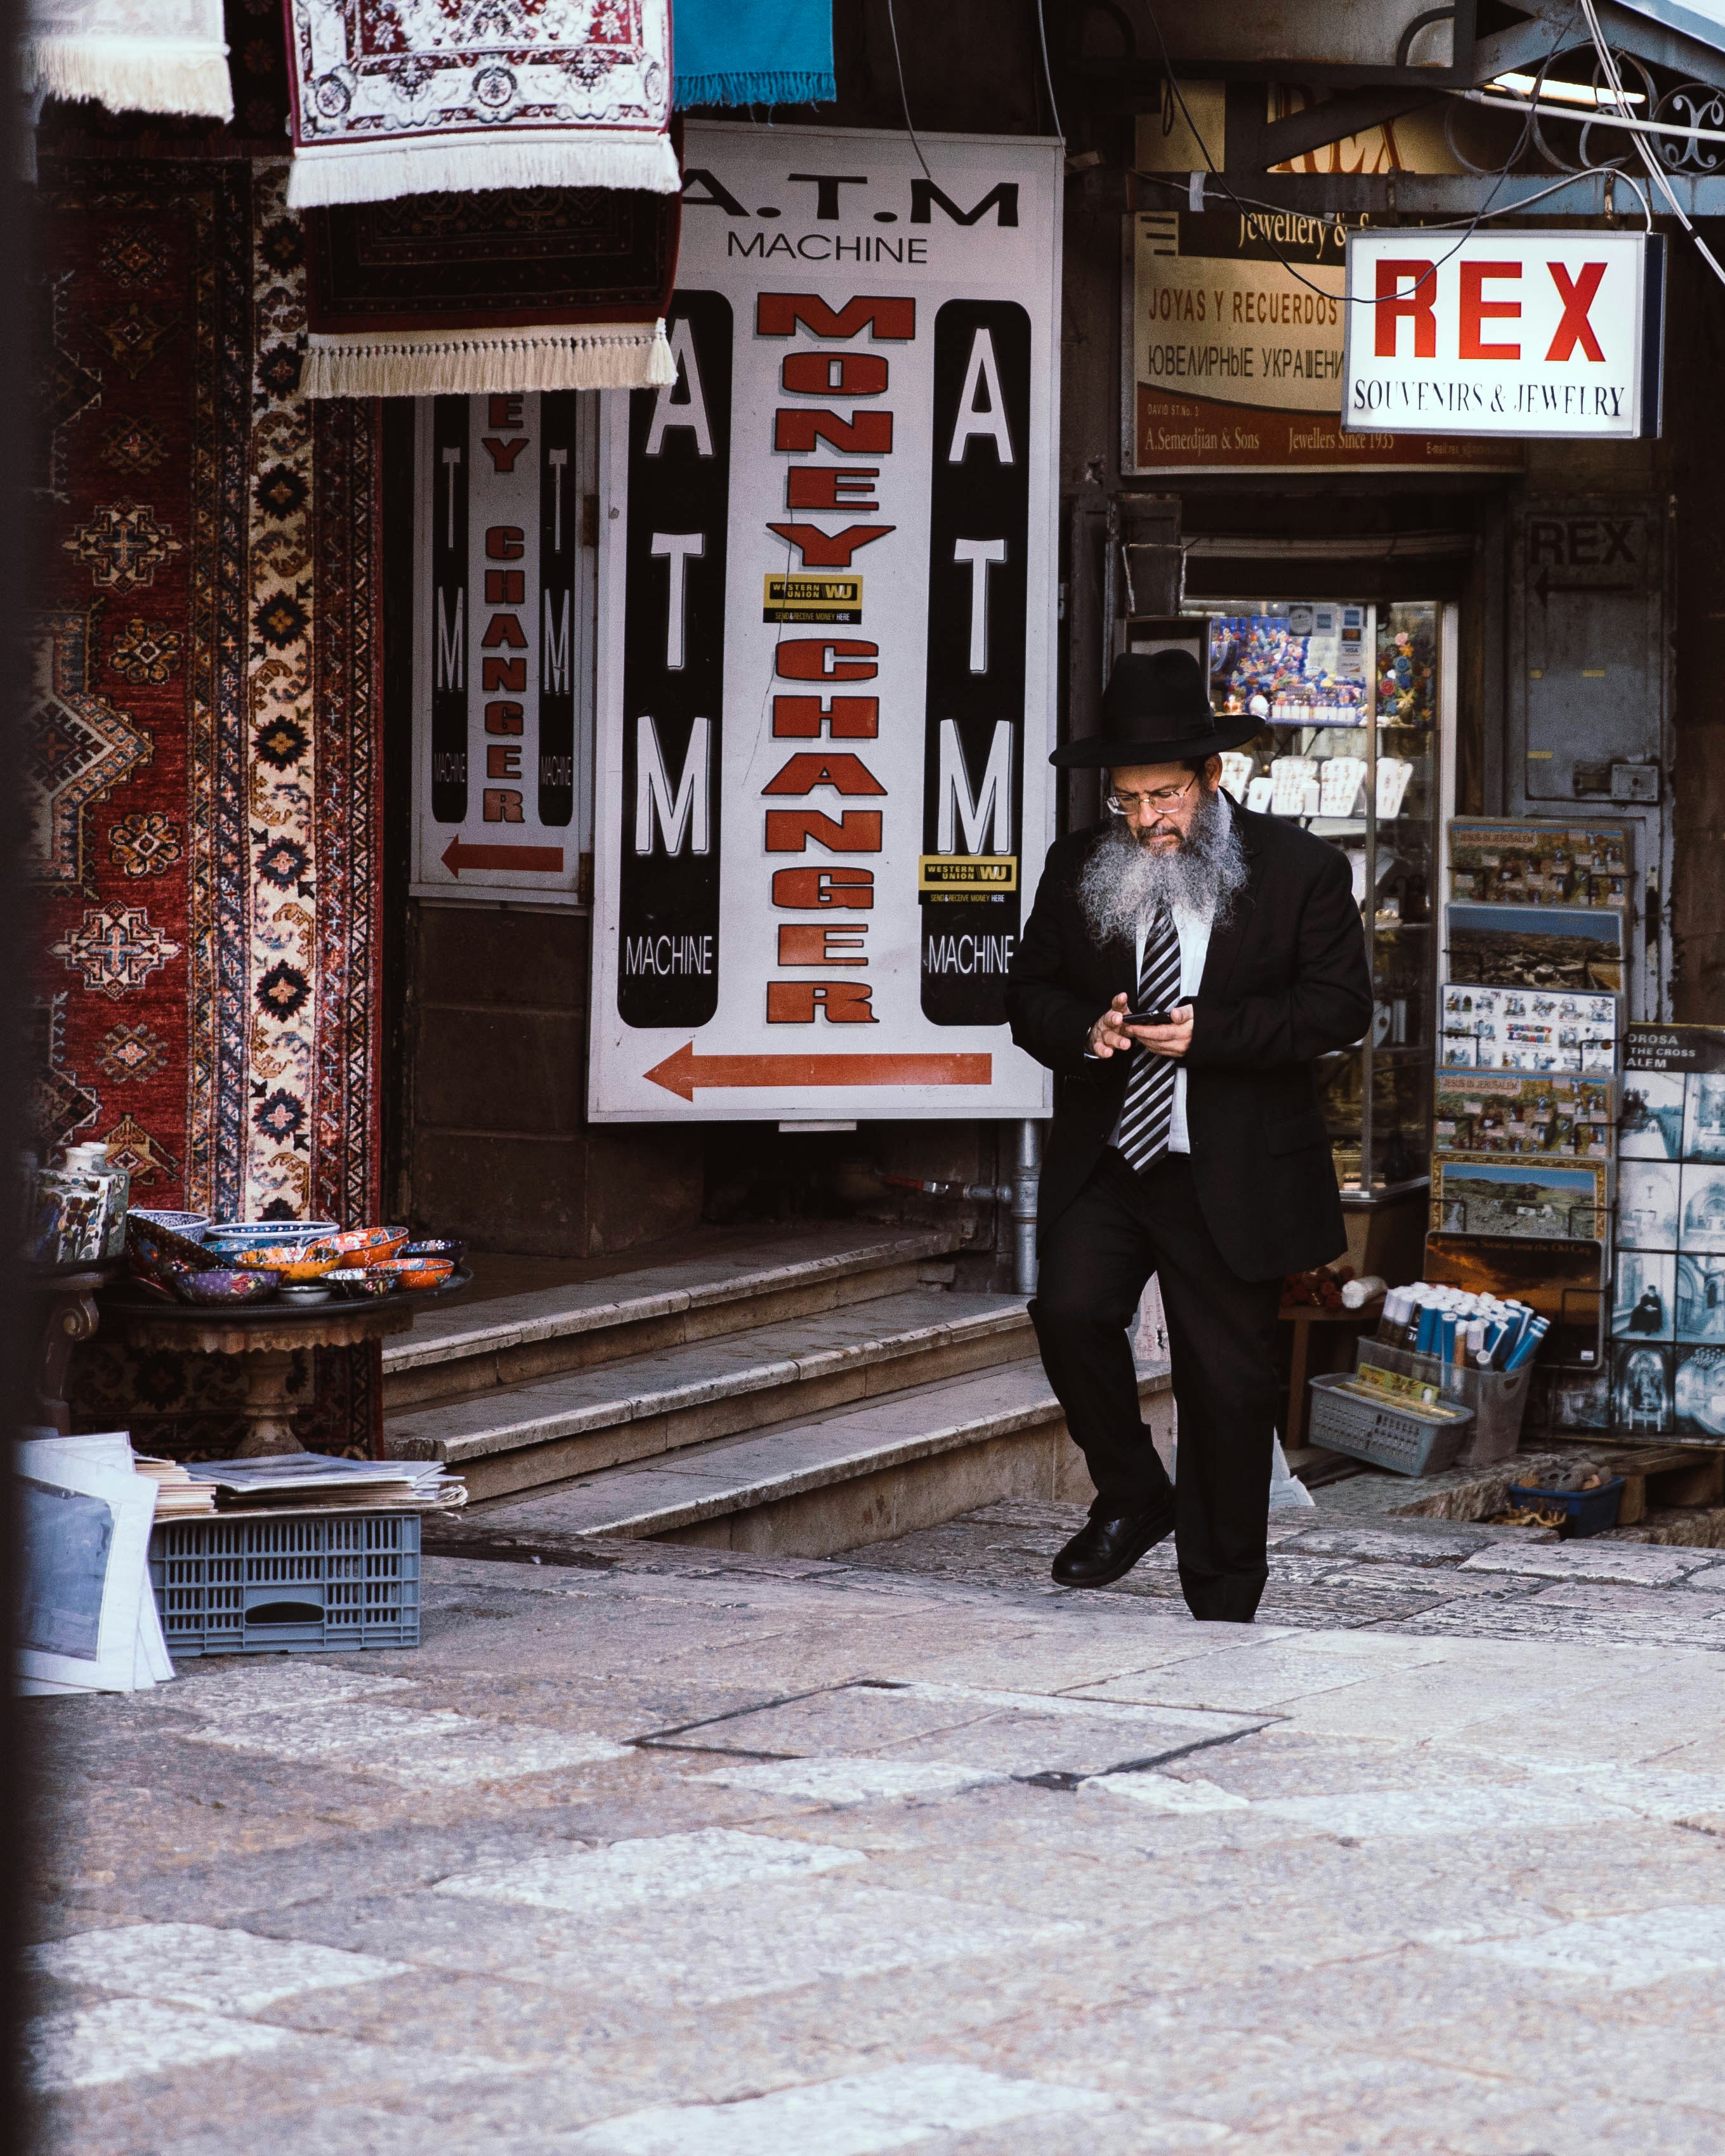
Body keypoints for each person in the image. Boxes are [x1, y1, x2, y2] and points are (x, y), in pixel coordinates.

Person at [1005, 649, 1374, 1621]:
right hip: (1114, 1160)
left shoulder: (1301, 870)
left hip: (1233, 1170)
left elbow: (1340, 1007)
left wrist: (1212, 1037)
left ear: (1212, 780)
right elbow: (1029, 995)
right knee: (1072, 1313)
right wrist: (1083, 1032)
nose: (1146, 820)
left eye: (1164, 796)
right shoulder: (1078, 865)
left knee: (1227, 1387)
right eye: (1127, 800)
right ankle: (1133, 1493)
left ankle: (1221, 1599)